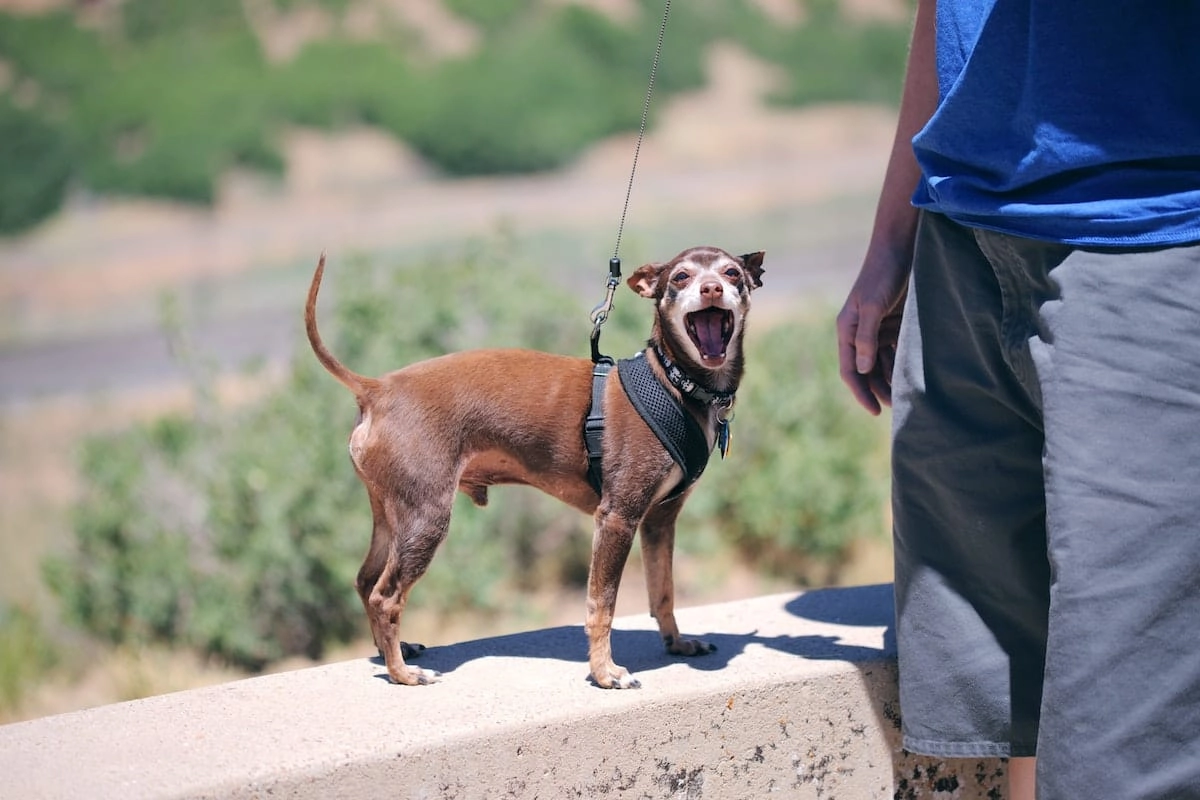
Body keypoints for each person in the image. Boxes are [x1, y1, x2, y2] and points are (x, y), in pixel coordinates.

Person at [836, 1, 1200, 798]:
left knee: (1127, 742)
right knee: (1009, 708)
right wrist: (892, 236)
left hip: (1158, 235)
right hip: (962, 229)